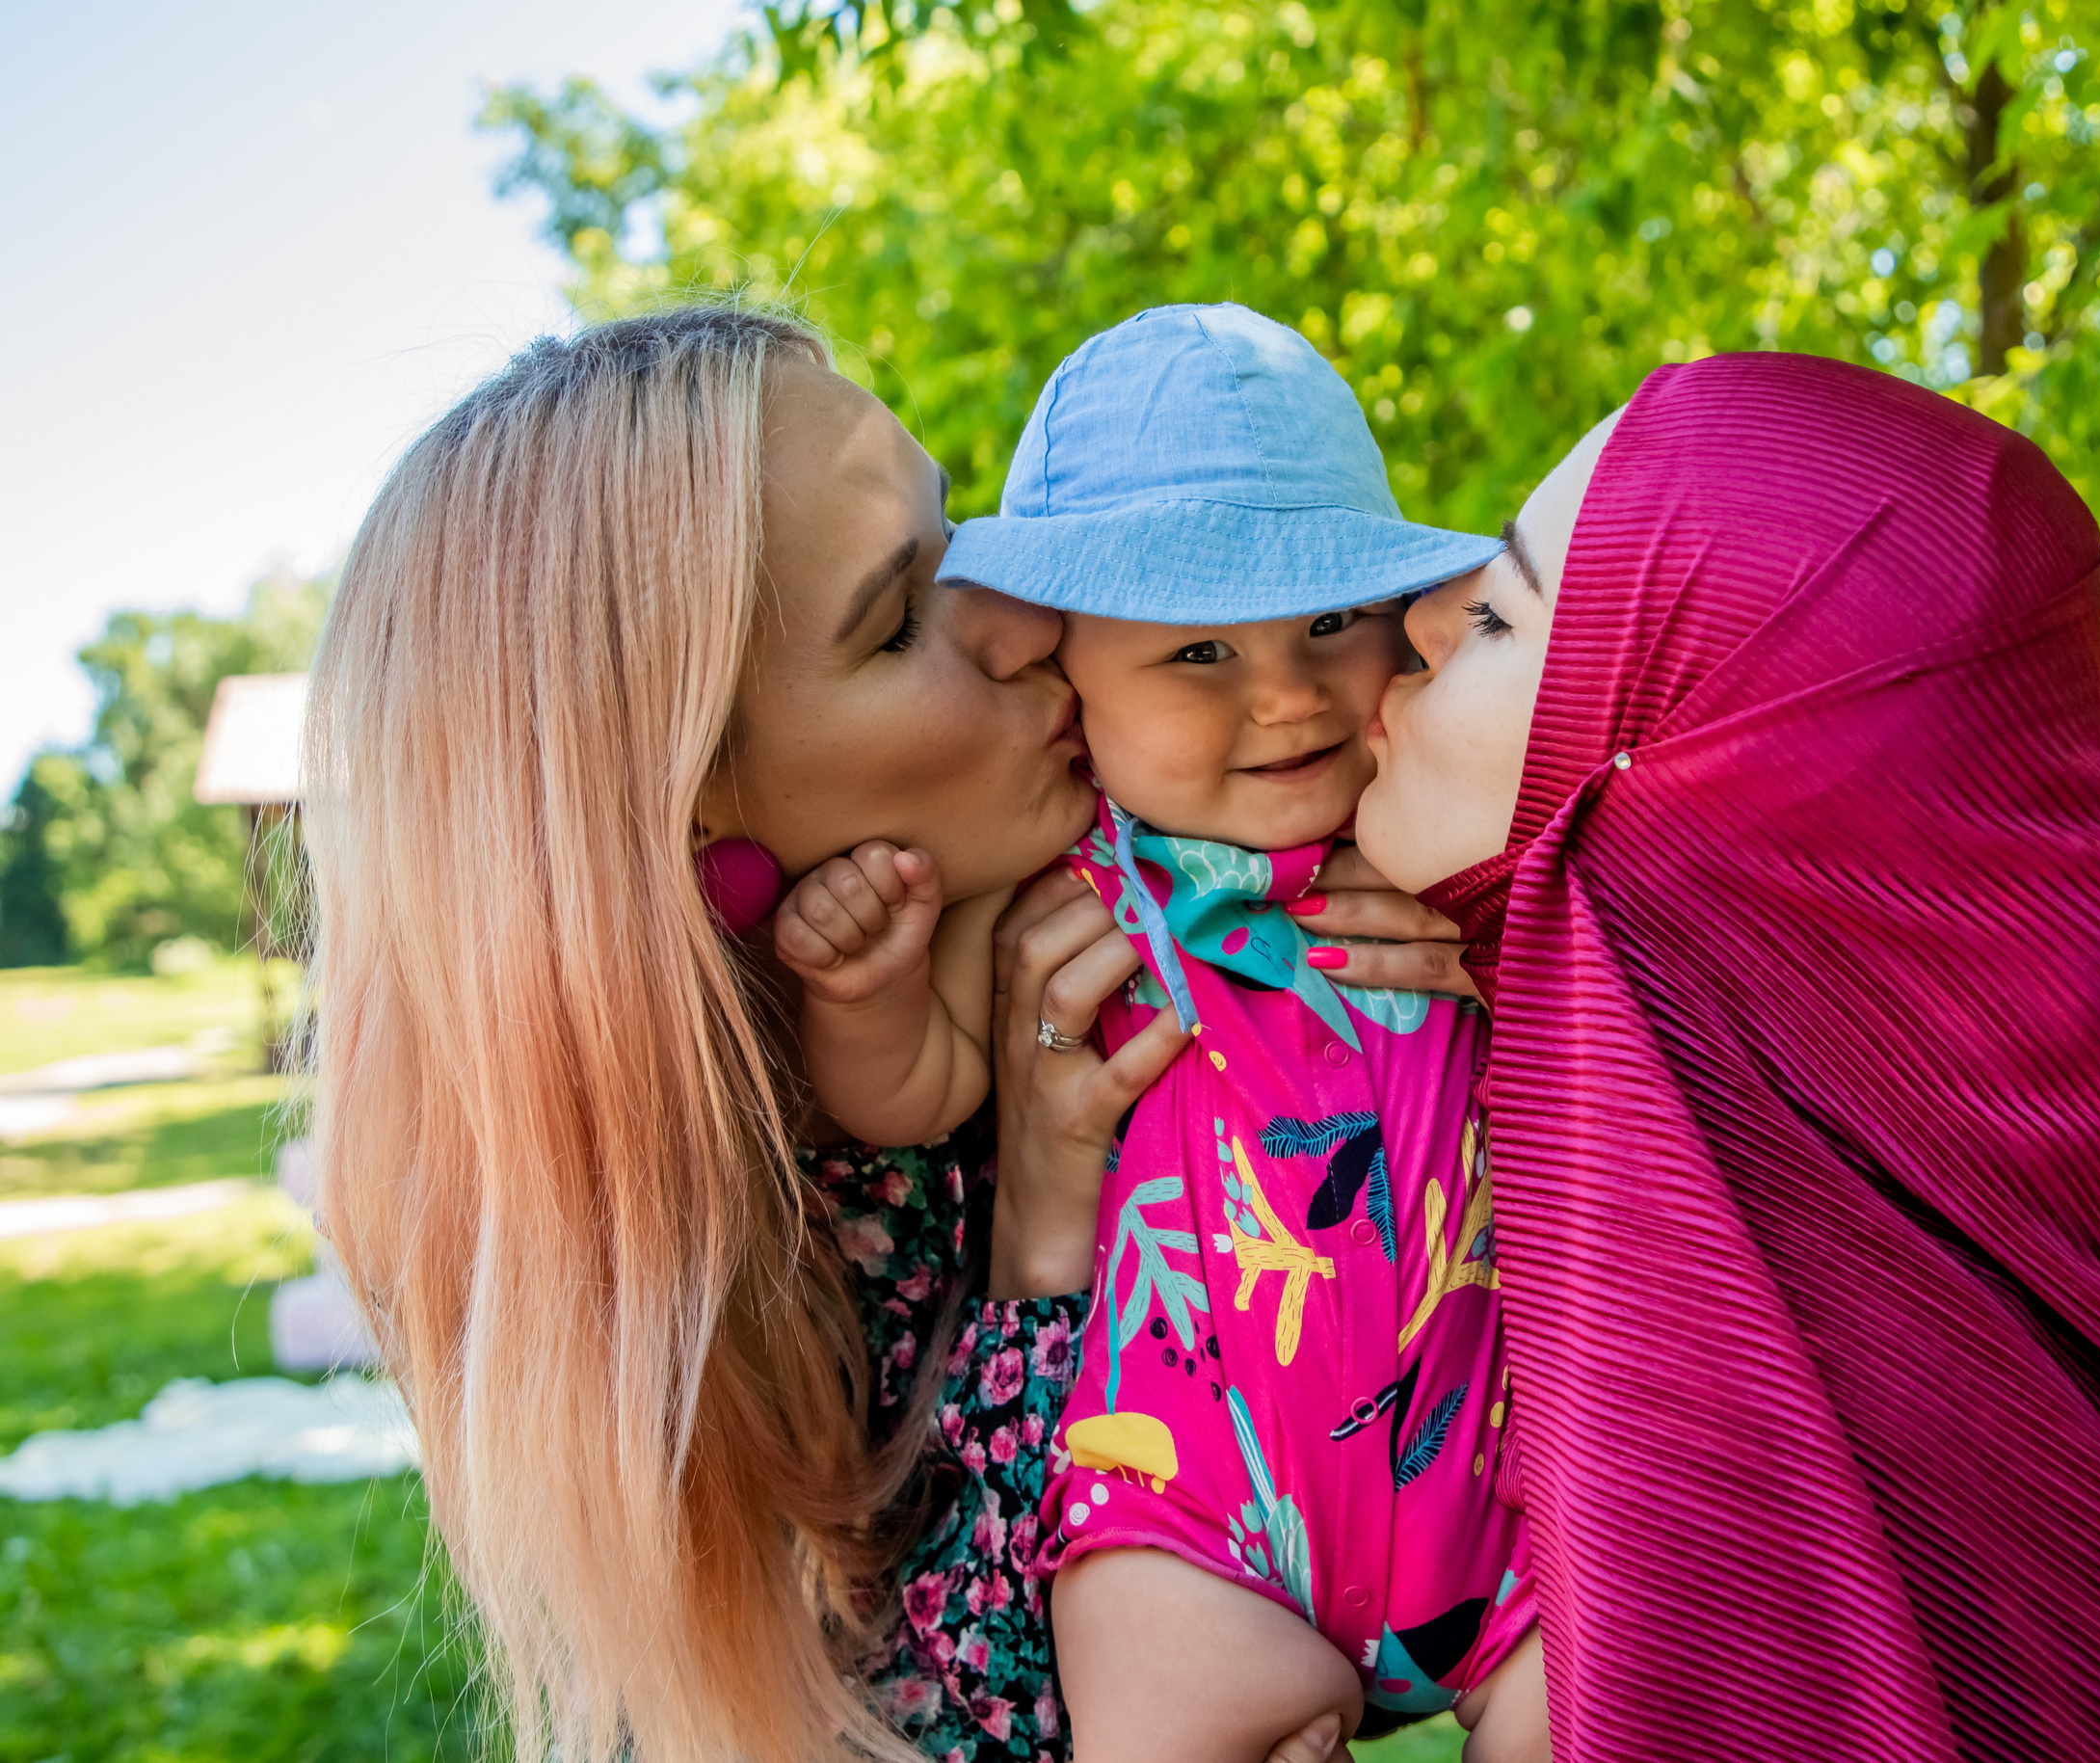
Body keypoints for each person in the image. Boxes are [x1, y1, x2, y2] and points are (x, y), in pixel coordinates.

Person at [302, 307, 1454, 1763]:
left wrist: (1468, 919)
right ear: (693, 793)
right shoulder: (746, 1235)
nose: (1026, 619)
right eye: (901, 617)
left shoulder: (1178, 830)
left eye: (959, 532)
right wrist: (1044, 1248)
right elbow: (915, 1706)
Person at [1353, 352, 2100, 1760]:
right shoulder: (1979, 1275)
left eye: (1502, 618)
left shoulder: (1761, 1429)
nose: (1411, 622)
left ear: (1699, 821)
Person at [788, 305, 1545, 1758]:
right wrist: (864, 991)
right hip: (1192, 1511)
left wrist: (1504, 938)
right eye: (1197, 648)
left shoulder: (1443, 833)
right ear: (1066, 676)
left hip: (1506, 1496)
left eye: (1331, 621)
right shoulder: (1076, 895)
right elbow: (917, 1087)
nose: (1281, 691)